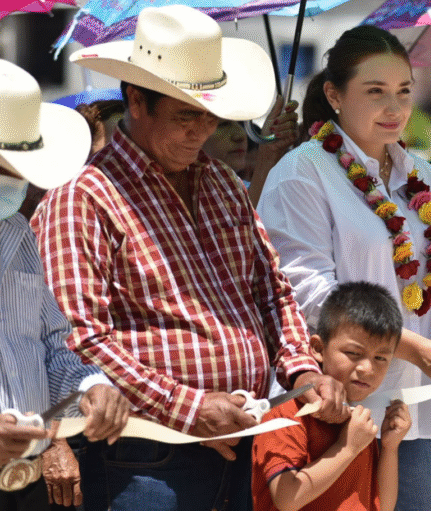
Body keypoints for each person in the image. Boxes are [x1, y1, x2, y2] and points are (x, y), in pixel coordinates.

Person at [31, 6, 346, 511]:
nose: (201, 130)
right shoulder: (83, 199)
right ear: (137, 101)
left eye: (211, 115)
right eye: (185, 115)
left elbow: (271, 291)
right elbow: (79, 341)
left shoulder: (222, 183)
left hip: (242, 436)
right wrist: (189, 407)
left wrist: (301, 371)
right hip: (144, 456)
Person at [257, 25, 431, 511]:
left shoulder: (425, 177)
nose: (394, 107)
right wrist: (418, 351)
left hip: (416, 410)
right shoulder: (300, 173)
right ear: (334, 96)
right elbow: (309, 295)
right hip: (339, 413)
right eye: (375, 91)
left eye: (403, 91)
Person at [0, 59, 130, 511]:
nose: (17, 183)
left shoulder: (19, 234)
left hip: (24, 481)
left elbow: (52, 347)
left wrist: (90, 387)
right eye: (5, 170)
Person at [252, 282, 411, 511]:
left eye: (380, 358)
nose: (367, 368)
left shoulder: (358, 420)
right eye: (354, 353)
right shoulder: (286, 415)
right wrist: (346, 449)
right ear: (317, 348)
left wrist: (390, 447)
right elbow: (287, 498)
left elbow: (383, 506)